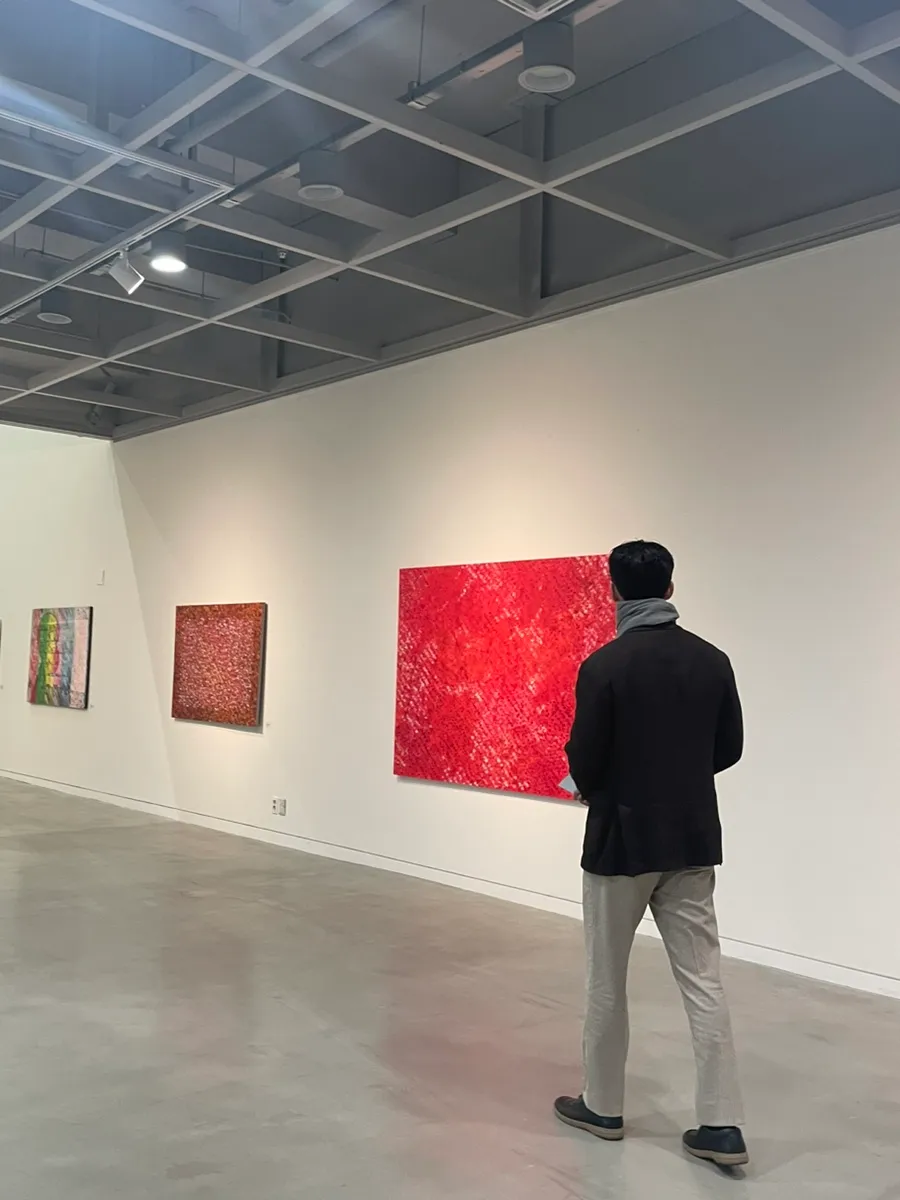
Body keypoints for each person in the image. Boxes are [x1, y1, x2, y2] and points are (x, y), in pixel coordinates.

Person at [554, 540, 748, 1168]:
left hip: (621, 843)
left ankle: (603, 1105)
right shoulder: (712, 661)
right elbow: (729, 748)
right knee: (703, 979)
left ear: (614, 591)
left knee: (606, 977)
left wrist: (613, 781)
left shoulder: (604, 666)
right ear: (670, 589)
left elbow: (585, 760)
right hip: (690, 838)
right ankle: (721, 1124)